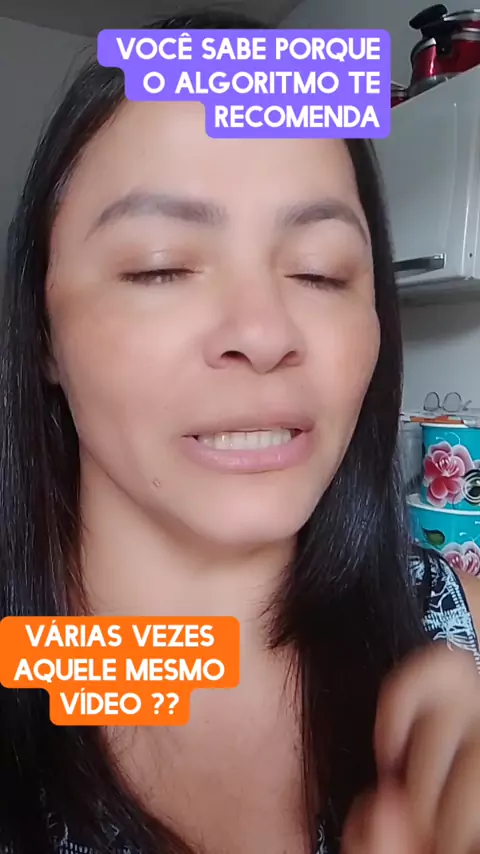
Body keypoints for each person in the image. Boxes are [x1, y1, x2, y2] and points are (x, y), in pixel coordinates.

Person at [1, 8, 479, 854]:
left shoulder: (440, 620)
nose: (263, 333)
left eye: (320, 273)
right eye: (160, 267)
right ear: (42, 333)